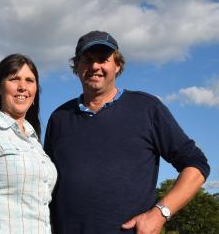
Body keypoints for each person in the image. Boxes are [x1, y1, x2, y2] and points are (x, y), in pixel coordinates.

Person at [44, 31, 210, 234]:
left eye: (103, 59)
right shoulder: (59, 118)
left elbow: (196, 164)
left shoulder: (147, 108)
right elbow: (46, 185)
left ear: (117, 65)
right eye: (87, 60)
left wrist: (160, 213)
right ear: (77, 67)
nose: (95, 66)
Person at [0, 53, 57, 234]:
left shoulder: (34, 142)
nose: (23, 87)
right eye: (14, 79)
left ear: (36, 90)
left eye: (30, 80)